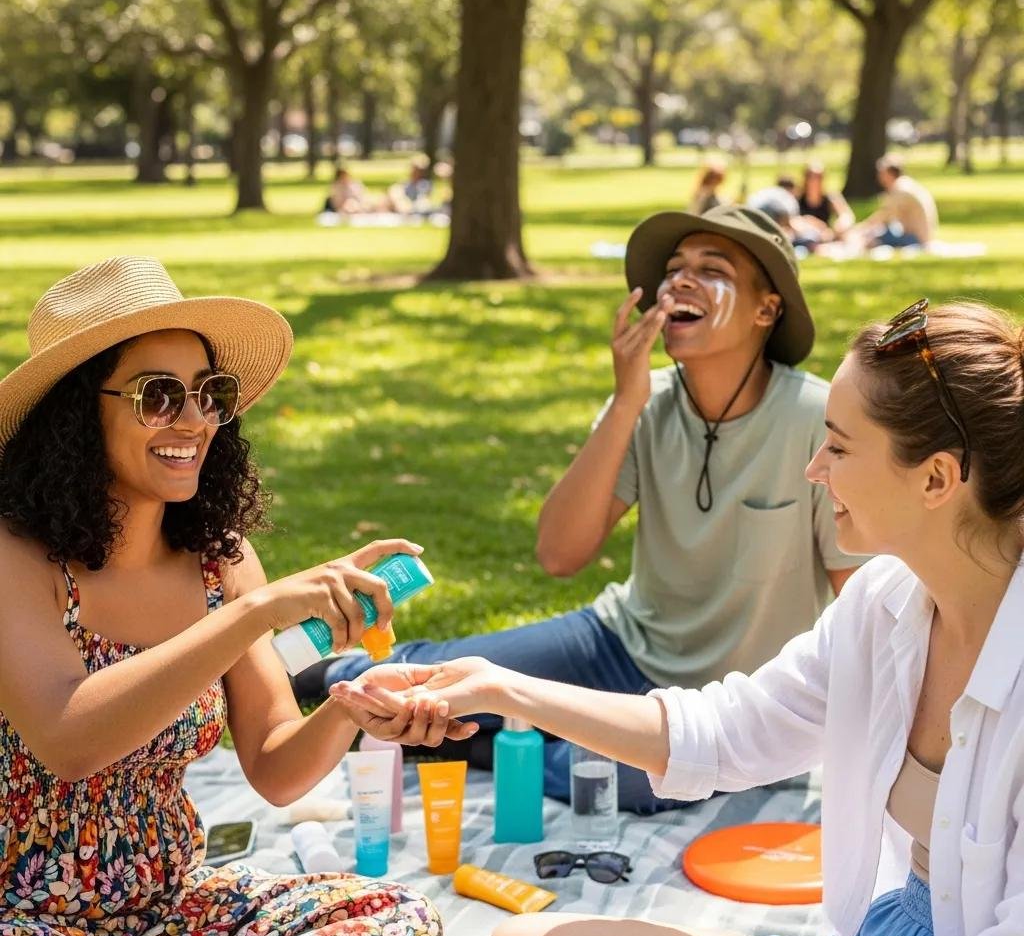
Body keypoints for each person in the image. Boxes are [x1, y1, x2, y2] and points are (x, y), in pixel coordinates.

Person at [336, 298, 1024, 936]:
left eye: (839, 448)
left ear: (936, 479)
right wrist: (499, 688)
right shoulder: (883, 605)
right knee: (527, 934)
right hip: (896, 920)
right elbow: (725, 733)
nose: (814, 469)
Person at [311, 205, 860, 814]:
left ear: (767, 309)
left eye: (713, 268)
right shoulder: (644, 401)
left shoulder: (816, 420)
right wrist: (626, 399)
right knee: (432, 678)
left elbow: (860, 600)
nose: (679, 280)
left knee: (598, 776)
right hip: (616, 642)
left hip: (725, 702)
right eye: (674, 268)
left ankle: (498, 732)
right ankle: (325, 674)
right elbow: (560, 553)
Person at [0, 257, 449, 936]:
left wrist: (349, 705)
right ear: (76, 415)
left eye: (210, 393)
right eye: (158, 396)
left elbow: (274, 764)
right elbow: (70, 739)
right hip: (26, 918)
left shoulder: (220, 563)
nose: (193, 420)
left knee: (394, 917)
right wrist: (250, 616)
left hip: (172, 907)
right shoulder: (15, 555)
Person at [852, 154, 938, 249]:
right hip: (921, 235)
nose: (879, 177)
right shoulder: (906, 184)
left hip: (916, 239)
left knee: (873, 238)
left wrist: (860, 228)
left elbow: (884, 216)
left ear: (889, 173)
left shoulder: (900, 189)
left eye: (881, 173)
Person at [796, 162, 854, 242]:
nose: (815, 181)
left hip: (826, 235)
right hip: (805, 234)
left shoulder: (830, 197)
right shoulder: (797, 199)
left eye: (818, 177)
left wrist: (841, 224)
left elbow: (846, 215)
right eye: (811, 177)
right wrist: (815, 224)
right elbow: (793, 220)